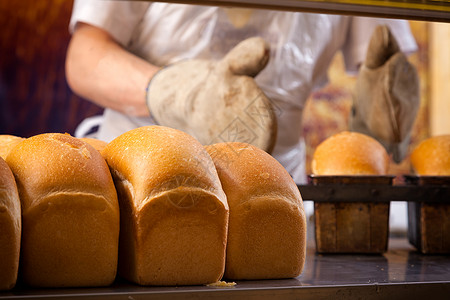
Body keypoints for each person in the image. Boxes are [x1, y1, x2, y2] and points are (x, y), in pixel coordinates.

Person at [66, 0, 418, 185]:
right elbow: (84, 57)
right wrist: (180, 94)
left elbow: (383, 49)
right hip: (140, 176)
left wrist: (387, 97)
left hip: (276, 184)